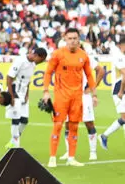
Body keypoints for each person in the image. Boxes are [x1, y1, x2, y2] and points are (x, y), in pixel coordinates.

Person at [42, 28, 98, 168]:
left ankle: (71, 157)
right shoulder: (58, 54)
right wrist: (45, 91)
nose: (73, 41)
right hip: (61, 96)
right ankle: (53, 157)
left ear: (79, 39)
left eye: (75, 38)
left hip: (77, 97)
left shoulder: (83, 55)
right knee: (58, 125)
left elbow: (90, 75)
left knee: (74, 126)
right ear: (65, 39)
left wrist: (94, 94)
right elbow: (48, 73)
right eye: (70, 38)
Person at [58, 44, 104, 161]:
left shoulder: (86, 57)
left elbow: (101, 71)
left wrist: (93, 87)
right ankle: (68, 152)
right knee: (68, 124)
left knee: (89, 123)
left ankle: (93, 152)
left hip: (83, 96)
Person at [5, 47, 48, 149]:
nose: (40, 63)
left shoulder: (33, 65)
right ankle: (15, 146)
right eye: (41, 60)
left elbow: (28, 81)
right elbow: (9, 77)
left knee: (24, 120)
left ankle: (13, 141)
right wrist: (11, 96)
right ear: (37, 56)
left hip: (23, 94)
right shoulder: (20, 61)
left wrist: (27, 95)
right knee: (15, 118)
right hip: (14, 91)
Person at [100, 39, 125, 150]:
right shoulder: (118, 56)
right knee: (124, 118)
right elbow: (124, 74)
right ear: (120, 45)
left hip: (122, 89)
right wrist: (120, 91)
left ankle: (104, 136)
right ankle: (104, 136)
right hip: (119, 90)